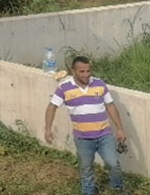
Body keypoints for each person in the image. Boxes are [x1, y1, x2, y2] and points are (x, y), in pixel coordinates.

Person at [44, 56, 128, 195]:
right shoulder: (64, 88)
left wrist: (120, 129)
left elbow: (110, 106)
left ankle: (118, 189)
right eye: (82, 71)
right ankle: (88, 192)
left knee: (113, 163)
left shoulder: (99, 84)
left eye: (88, 71)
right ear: (73, 71)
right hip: (82, 138)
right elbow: (52, 107)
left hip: (104, 135)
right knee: (86, 168)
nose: (86, 75)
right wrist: (48, 129)